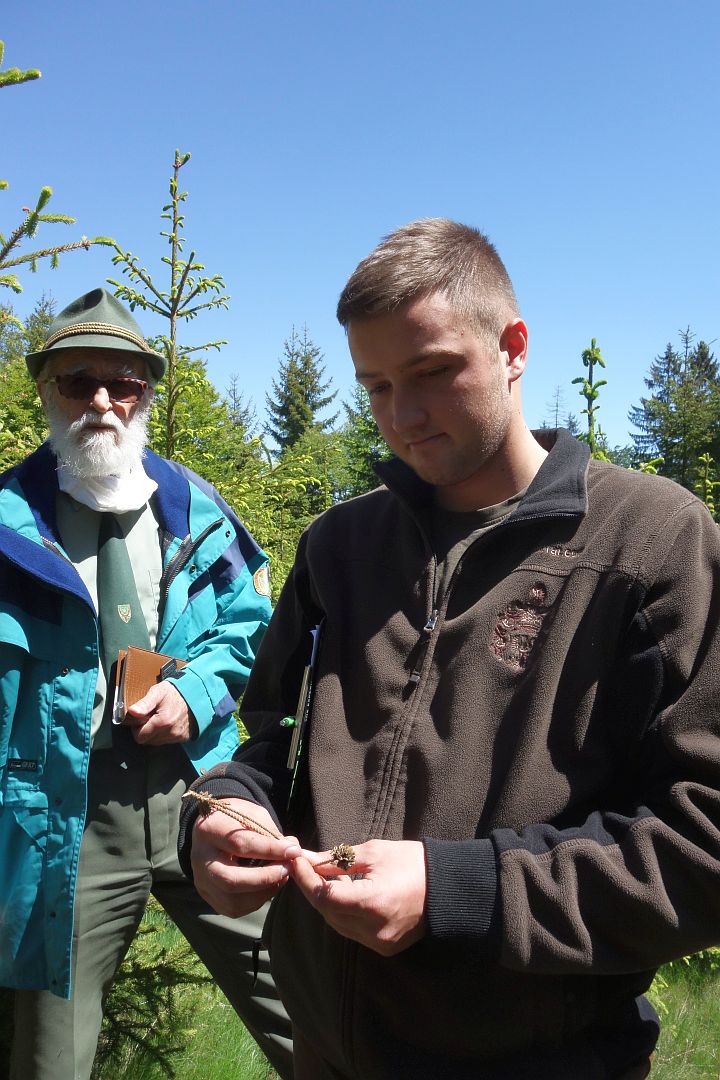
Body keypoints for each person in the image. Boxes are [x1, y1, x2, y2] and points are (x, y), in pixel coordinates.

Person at [179, 219, 720, 1079]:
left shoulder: (651, 543)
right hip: (323, 1054)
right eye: (377, 386)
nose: (403, 417)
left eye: (433, 372)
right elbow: (275, 740)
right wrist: (228, 810)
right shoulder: (339, 548)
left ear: (513, 348)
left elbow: (704, 844)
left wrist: (457, 891)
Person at [0, 289, 292, 1080]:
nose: (101, 401)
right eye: (77, 381)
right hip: (66, 819)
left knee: (308, 1010)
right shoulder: (7, 525)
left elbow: (250, 621)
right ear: (46, 391)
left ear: (146, 395)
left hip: (202, 797)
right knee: (49, 1059)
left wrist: (195, 694)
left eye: (122, 383)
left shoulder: (196, 509)